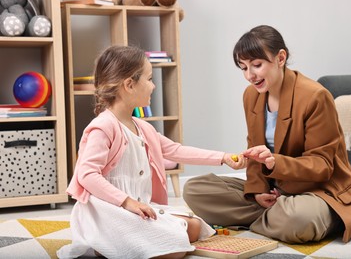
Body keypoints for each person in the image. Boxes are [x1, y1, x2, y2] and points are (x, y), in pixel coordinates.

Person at [183, 25, 351, 244]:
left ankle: (296, 218)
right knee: (195, 189)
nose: (249, 76)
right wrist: (257, 192)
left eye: (256, 65)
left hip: (319, 191)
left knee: (298, 218)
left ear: (280, 58)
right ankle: (276, 218)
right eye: (243, 68)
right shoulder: (251, 96)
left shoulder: (316, 96)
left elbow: (322, 165)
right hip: (276, 192)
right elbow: (255, 152)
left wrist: (275, 163)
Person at [57, 44, 246, 259]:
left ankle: (119, 245)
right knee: (175, 249)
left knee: (193, 227)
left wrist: (223, 158)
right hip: (108, 211)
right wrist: (127, 202)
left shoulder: (142, 127)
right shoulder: (103, 127)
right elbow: (87, 175)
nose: (154, 86)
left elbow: (176, 150)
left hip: (139, 208)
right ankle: (104, 244)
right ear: (129, 84)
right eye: (149, 79)